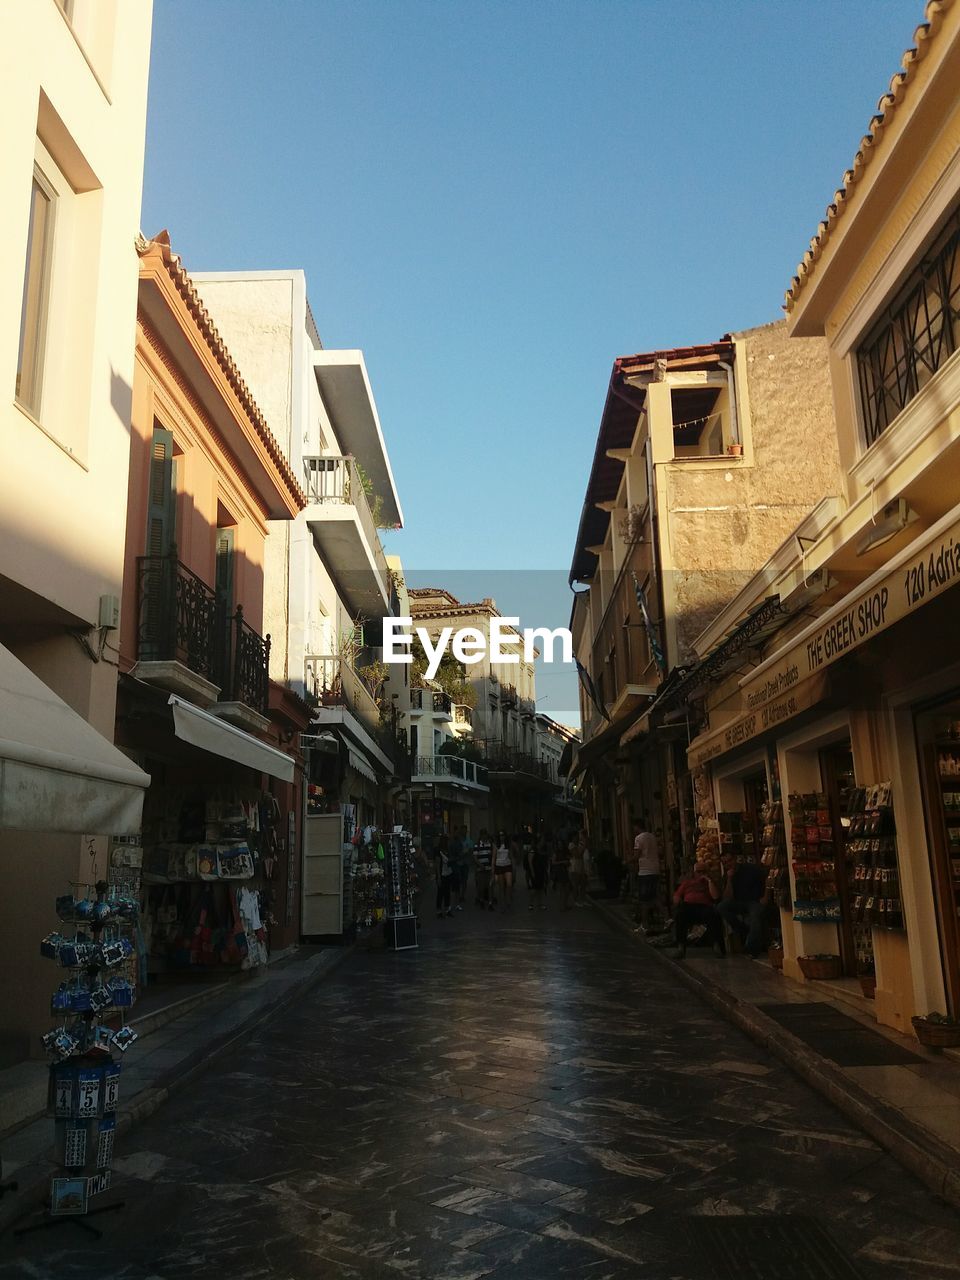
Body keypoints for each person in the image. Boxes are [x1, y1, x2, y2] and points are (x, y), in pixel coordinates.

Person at [717, 851, 768, 956]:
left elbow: (767, 878)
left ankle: (752, 948)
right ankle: (742, 930)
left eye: (729, 861)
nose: (728, 864)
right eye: (725, 863)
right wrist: (729, 879)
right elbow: (727, 897)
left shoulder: (750, 869)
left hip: (754, 900)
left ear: (735, 859)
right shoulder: (726, 877)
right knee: (721, 907)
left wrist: (765, 896)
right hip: (739, 902)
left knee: (755, 916)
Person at [673, 861, 724, 959]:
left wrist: (709, 881)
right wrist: (677, 900)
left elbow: (715, 896)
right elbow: (677, 895)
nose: (700, 874)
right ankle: (681, 947)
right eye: (698, 871)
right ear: (694, 872)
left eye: (703, 871)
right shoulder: (687, 883)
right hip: (689, 906)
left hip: (704, 906)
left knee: (713, 915)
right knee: (680, 915)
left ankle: (716, 945)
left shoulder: (710, 882)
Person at [632, 817, 661, 931]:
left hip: (645, 871)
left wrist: (628, 860)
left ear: (637, 826)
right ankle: (666, 918)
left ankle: (645, 925)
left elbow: (637, 855)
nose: (633, 829)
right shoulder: (652, 836)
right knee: (653, 896)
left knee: (644, 899)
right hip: (655, 869)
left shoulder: (639, 838)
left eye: (634, 827)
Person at [434, 833, 456, 919]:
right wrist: (438, 877)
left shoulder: (448, 849)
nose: (446, 842)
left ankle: (448, 909)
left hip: (448, 873)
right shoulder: (438, 850)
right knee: (440, 893)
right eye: (445, 840)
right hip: (442, 874)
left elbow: (451, 859)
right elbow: (437, 863)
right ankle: (439, 911)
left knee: (447, 892)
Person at [474, 828, 494, 910]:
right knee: (481, 887)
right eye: (483, 834)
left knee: (490, 886)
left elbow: (493, 855)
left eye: (485, 834)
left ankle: (490, 903)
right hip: (480, 869)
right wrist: (480, 865)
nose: (484, 836)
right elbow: (475, 857)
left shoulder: (490, 844)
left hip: (489, 869)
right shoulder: (477, 845)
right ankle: (482, 900)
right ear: (481, 835)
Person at [448, 826, 467, 912]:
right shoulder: (451, 843)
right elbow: (456, 854)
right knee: (453, 886)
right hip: (453, 866)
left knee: (457, 885)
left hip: (457, 866)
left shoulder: (458, 842)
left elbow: (460, 853)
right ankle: (452, 904)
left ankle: (456, 903)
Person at [552, 831, 572, 910]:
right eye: (559, 844)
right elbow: (553, 862)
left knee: (567, 889)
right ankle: (562, 906)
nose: (560, 846)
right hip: (559, 871)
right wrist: (562, 862)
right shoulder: (556, 852)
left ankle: (565, 904)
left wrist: (568, 862)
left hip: (565, 871)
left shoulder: (565, 851)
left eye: (561, 844)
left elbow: (569, 858)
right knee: (561, 890)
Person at [494, 829, 514, 909]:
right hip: (499, 866)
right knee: (501, 886)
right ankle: (503, 902)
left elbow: (511, 856)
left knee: (509, 884)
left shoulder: (508, 845)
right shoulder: (496, 845)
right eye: (500, 835)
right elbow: (494, 857)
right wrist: (494, 868)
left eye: (503, 835)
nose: (502, 837)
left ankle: (508, 898)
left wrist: (514, 867)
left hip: (507, 865)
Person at [532, 830, 551, 911]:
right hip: (537, 871)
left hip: (542, 870)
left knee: (540, 888)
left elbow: (546, 861)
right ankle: (534, 903)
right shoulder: (535, 849)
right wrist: (532, 872)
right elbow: (531, 861)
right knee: (537, 889)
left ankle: (539, 903)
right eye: (542, 839)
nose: (544, 841)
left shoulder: (544, 849)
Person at [570, 830, 589, 906]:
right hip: (575, 866)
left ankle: (583, 899)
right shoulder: (571, 845)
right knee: (576, 884)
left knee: (583, 883)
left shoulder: (580, 844)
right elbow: (577, 855)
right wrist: (583, 848)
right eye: (575, 837)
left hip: (582, 865)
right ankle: (575, 900)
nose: (577, 838)